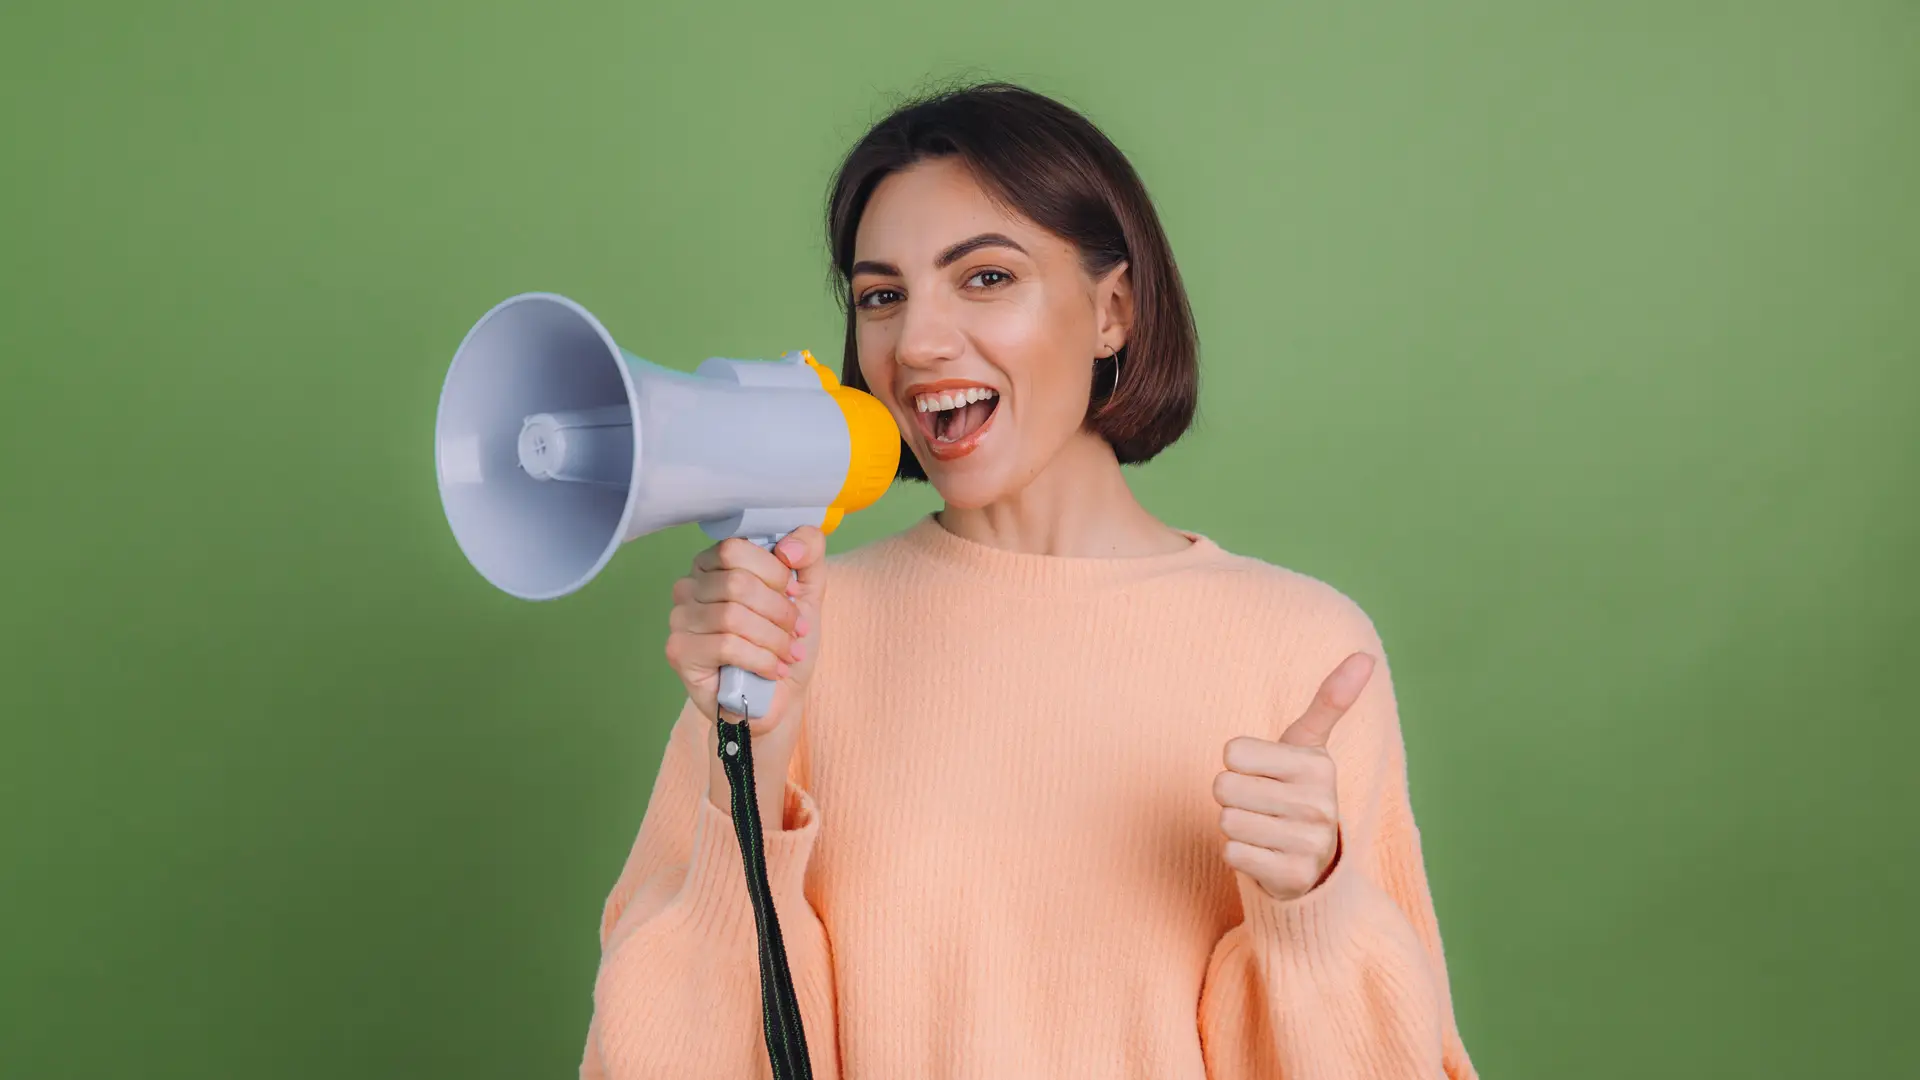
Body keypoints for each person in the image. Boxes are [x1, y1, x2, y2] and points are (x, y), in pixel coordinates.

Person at [580, 81, 1476, 1080]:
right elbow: (655, 1056)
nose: (916, 342)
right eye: (882, 296)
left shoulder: (1302, 649)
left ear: (1113, 310)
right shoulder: (796, 634)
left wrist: (1315, 908)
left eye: (986, 278)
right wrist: (751, 754)